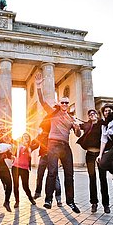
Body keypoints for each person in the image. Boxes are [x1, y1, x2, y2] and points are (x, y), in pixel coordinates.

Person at [35, 73, 81, 213]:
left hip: (65, 146)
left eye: (67, 102)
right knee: (52, 172)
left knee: (69, 174)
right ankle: (48, 200)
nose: (65, 104)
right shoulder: (54, 113)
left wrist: (78, 128)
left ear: (69, 104)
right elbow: (42, 102)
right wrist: (38, 86)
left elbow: (78, 134)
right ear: (59, 104)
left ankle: (71, 201)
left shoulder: (71, 118)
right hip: (53, 144)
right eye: (63, 102)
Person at [77, 109, 110, 213]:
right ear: (88, 116)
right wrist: (75, 125)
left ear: (97, 115)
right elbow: (77, 127)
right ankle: (94, 203)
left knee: (103, 178)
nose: (92, 115)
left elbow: (111, 121)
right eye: (90, 114)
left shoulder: (102, 123)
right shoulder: (87, 125)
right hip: (90, 155)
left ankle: (106, 204)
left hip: (101, 155)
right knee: (92, 178)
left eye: (94, 113)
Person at [32, 114, 63, 207]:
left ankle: (58, 198)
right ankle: (38, 193)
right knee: (40, 174)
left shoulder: (56, 133)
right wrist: (28, 148)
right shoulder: (41, 134)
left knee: (55, 177)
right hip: (43, 156)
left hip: (53, 157)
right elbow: (35, 144)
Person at [11, 133, 39, 208]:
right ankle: (17, 201)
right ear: (22, 138)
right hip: (15, 167)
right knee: (16, 185)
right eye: (24, 136)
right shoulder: (18, 144)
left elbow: (37, 144)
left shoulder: (30, 147)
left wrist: (39, 134)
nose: (26, 137)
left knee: (25, 186)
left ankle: (31, 199)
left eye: (27, 137)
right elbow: (10, 139)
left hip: (25, 168)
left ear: (29, 139)